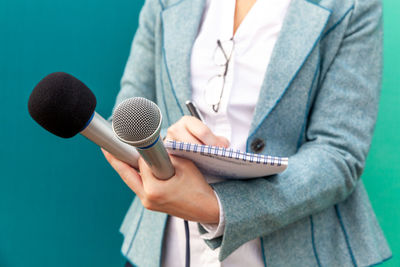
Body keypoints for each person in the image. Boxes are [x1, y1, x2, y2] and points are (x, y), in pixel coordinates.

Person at [102, 0, 392, 266]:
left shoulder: (352, 5)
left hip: (295, 250)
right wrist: (164, 144)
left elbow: (339, 152)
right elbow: (125, 114)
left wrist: (219, 208)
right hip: (162, 251)